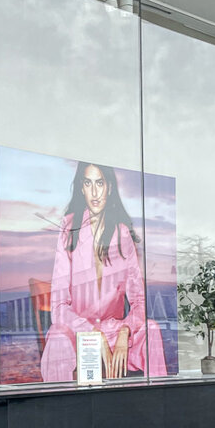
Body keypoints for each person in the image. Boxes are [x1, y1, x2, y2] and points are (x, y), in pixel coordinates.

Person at [39, 162, 166, 381]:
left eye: (100, 183)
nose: (95, 192)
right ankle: (58, 401)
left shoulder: (122, 234)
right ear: (81, 188)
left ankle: (157, 398)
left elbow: (138, 301)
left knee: (152, 329)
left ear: (109, 187)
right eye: (88, 183)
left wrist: (125, 330)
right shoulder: (69, 228)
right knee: (58, 336)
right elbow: (58, 307)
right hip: (77, 333)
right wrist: (92, 334)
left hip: (114, 333)